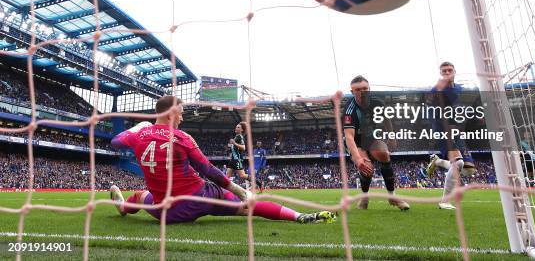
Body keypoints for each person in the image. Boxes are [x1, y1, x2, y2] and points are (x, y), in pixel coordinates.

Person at [109, 96, 335, 224]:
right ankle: (299, 216)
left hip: (165, 212)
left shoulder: (138, 135)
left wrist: (140, 126)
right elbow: (208, 170)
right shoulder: (181, 137)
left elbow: (116, 142)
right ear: (170, 114)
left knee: (140, 196)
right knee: (249, 206)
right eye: (180, 113)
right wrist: (240, 191)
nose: (182, 117)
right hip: (200, 199)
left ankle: (122, 207)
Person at [342, 75, 410, 211]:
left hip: (371, 138)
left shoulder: (378, 102)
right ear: (352, 92)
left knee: (384, 154)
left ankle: (392, 197)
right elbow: (349, 137)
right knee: (367, 166)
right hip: (356, 142)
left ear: (369, 89)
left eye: (364, 88)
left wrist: (392, 137)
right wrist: (358, 159)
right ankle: (364, 198)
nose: (362, 91)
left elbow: (386, 119)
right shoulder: (349, 110)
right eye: (357, 89)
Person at [425, 62, 476, 210]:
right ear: (440, 73)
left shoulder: (460, 89)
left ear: (455, 71)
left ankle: (438, 161)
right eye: (444, 70)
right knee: (458, 164)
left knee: (469, 170)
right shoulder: (437, 89)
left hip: (457, 131)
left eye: (449, 70)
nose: (447, 72)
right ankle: (444, 201)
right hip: (444, 130)